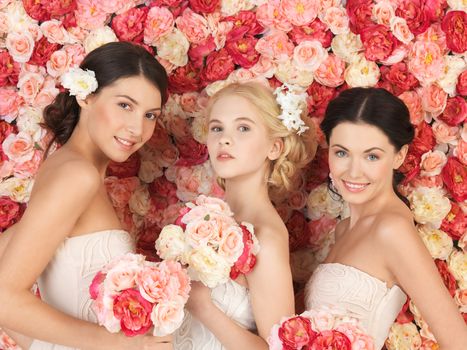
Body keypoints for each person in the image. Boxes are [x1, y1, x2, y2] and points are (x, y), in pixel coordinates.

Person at [0, 41, 172, 350]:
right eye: (125, 105)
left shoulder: (63, 167)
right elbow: (5, 299)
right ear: (86, 96)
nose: (137, 128)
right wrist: (123, 344)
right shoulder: (76, 176)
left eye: (150, 115)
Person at [305, 87, 467, 350]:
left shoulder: (391, 230)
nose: (353, 171)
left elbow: (459, 342)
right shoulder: (344, 228)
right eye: (342, 152)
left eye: (371, 156)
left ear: (399, 156)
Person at [173, 81, 317, 350]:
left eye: (243, 128)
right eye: (217, 128)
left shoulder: (266, 235)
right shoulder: (202, 219)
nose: (224, 139)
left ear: (274, 148)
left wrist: (204, 308)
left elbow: (279, 348)